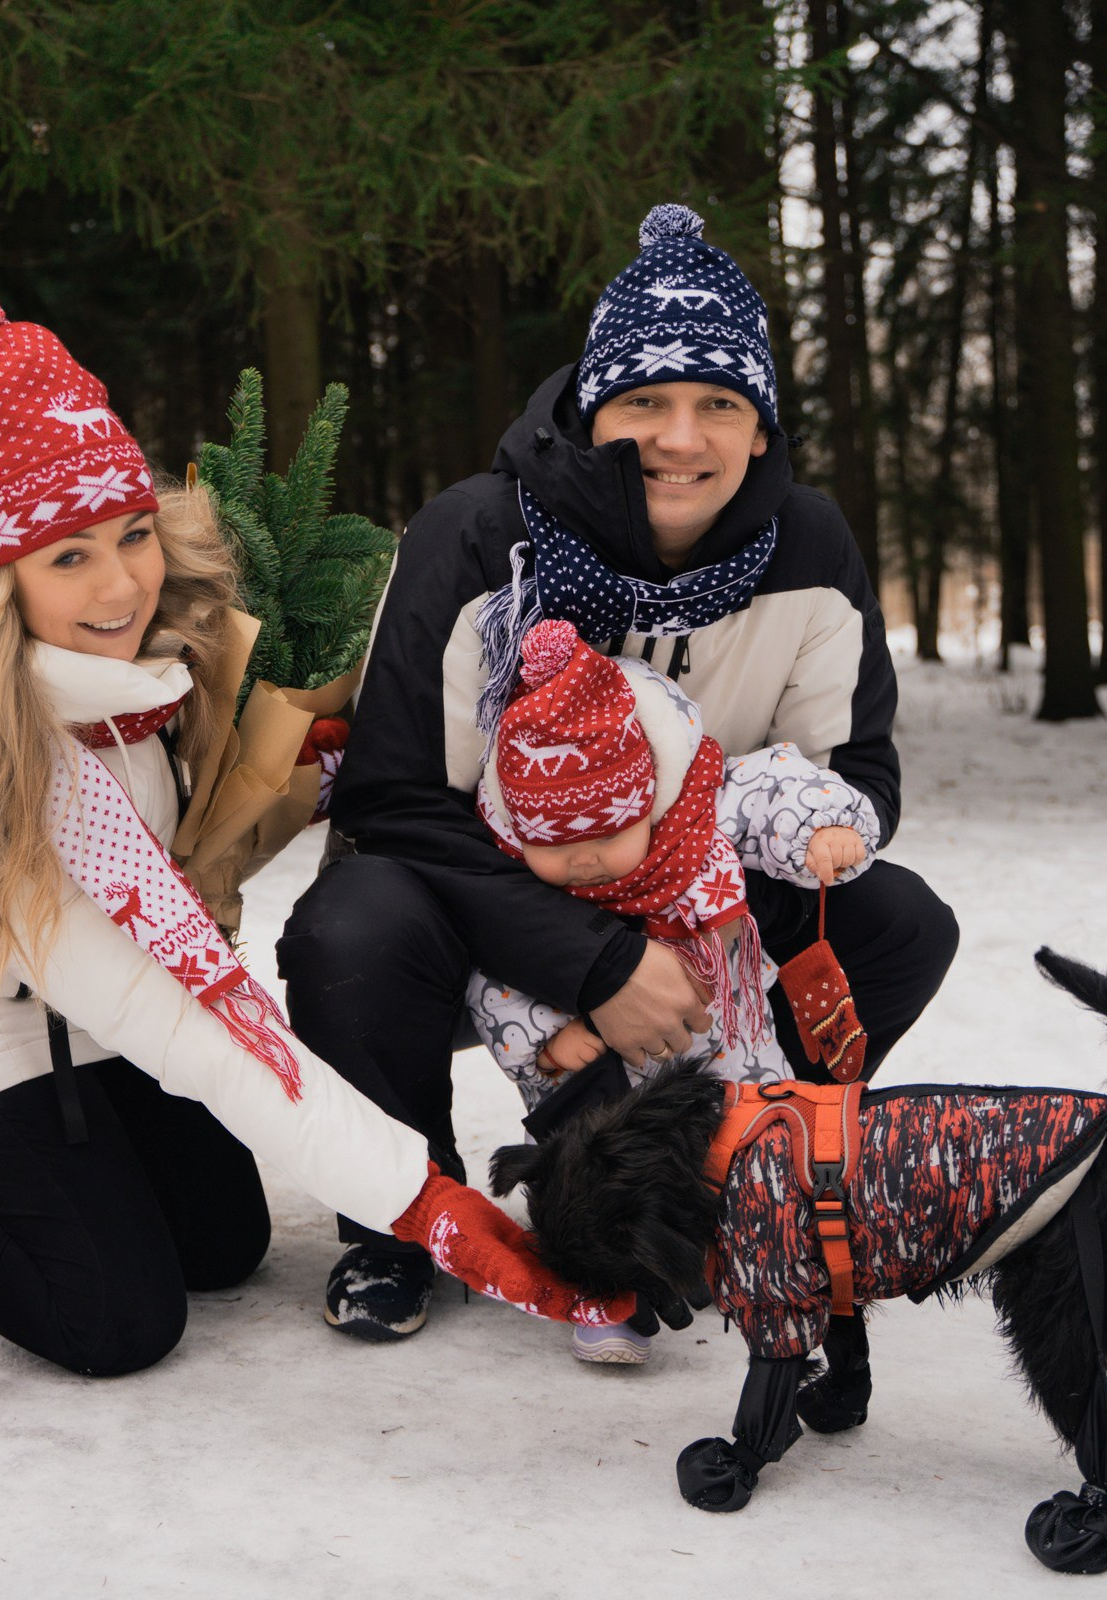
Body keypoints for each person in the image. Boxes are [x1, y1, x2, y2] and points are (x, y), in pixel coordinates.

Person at [0, 294, 624, 1444]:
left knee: (224, 1246)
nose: (120, 588)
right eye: (69, 557)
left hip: (90, 1015)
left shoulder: (139, 661)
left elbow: (180, 848)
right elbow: (175, 1012)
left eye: (132, 536)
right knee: (113, 1318)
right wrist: (426, 1203)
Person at [280, 203, 960, 1344]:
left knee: (895, 921)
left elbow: (856, 776)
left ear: (759, 424)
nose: (679, 438)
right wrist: (594, 962)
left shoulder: (812, 549)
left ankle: (728, 1174)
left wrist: (695, 878)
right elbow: (393, 803)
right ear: (594, 408)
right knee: (351, 924)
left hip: (701, 896)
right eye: (644, 401)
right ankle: (399, 1217)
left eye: (718, 406)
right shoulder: (473, 537)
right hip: (472, 916)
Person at [462, 618, 885, 1363]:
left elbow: (773, 788)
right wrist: (546, 1040)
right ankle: (608, 1295)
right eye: (554, 847)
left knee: (751, 1150)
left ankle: (777, 1258)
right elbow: (493, 974)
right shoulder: (517, 889)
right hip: (596, 1093)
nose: (583, 862)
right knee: (593, 1191)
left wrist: (827, 827)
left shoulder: (692, 808)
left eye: (604, 835)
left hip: (725, 1046)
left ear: (646, 797)